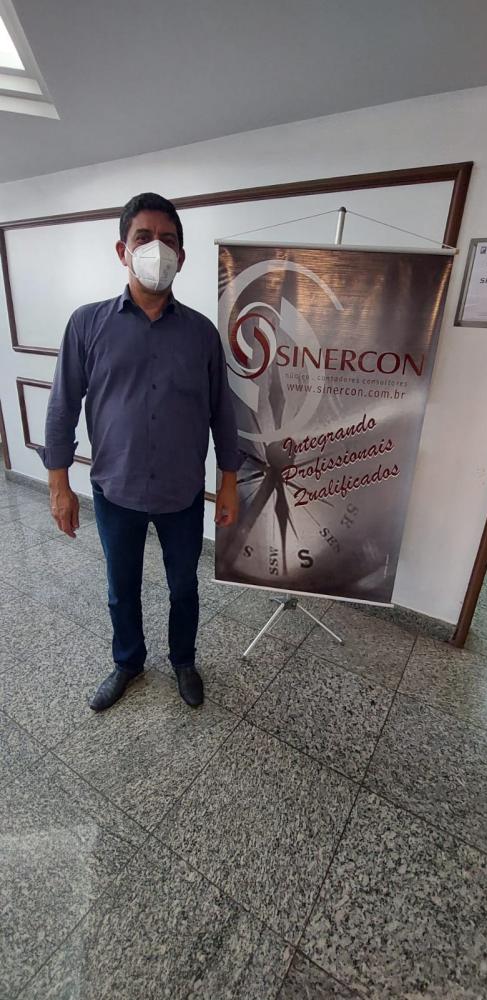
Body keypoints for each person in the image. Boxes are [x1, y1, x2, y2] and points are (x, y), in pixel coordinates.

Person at [39, 192, 239, 712]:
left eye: (168, 240)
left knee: (183, 586)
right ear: (122, 250)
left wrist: (230, 483)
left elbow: (223, 412)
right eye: (143, 237)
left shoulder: (201, 334)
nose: (157, 249)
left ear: (182, 256)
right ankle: (127, 662)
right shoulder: (87, 324)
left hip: (181, 493)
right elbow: (62, 407)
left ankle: (184, 660)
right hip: (115, 490)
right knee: (120, 586)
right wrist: (59, 486)